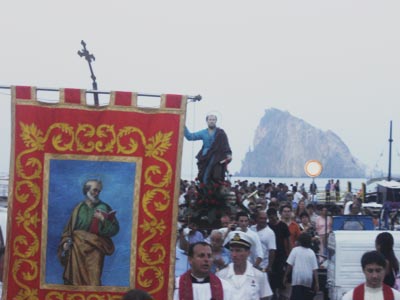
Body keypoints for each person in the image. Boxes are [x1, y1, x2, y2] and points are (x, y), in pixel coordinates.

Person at [57, 179, 120, 286]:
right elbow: (69, 230)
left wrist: (103, 219)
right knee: (75, 281)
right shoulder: (78, 208)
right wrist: (65, 243)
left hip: (96, 248)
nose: (97, 193)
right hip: (77, 249)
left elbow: (115, 229)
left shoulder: (104, 207)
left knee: (93, 281)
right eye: (94, 190)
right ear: (86, 190)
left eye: (99, 191)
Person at [217, 231, 273, 300]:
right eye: (232, 250)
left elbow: (265, 298)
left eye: (238, 251)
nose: (234, 255)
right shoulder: (221, 275)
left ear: (248, 253)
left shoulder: (259, 275)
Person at [184, 114, 232, 184]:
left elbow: (225, 144)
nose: (212, 121)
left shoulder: (221, 133)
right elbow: (190, 137)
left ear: (216, 121)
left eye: (213, 120)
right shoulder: (203, 133)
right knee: (203, 174)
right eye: (210, 120)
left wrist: (229, 154)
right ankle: (204, 186)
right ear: (207, 121)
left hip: (217, 156)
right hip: (205, 156)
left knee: (216, 174)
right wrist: (183, 126)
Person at [283, 232, 319, 300]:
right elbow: (315, 269)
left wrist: (285, 276)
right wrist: (317, 283)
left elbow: (289, 265)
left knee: (296, 296)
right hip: (308, 278)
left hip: (297, 277)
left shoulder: (295, 250)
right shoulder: (311, 252)